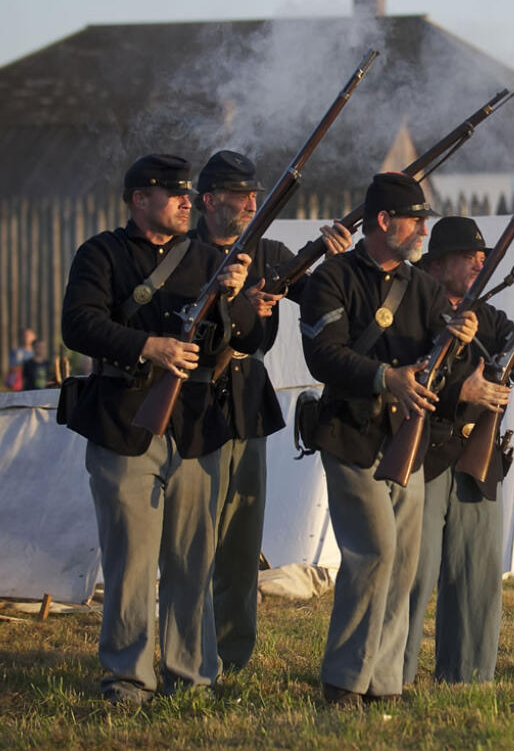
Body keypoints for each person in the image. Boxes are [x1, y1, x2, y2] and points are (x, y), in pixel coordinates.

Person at [60, 153, 255, 705]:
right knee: (130, 564)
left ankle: (191, 676)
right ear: (138, 200)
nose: (186, 202)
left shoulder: (207, 258)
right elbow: (79, 323)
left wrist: (235, 297)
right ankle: (128, 677)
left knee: (194, 559)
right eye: (172, 193)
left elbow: (245, 339)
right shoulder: (102, 253)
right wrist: (147, 345)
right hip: (124, 418)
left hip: (193, 425)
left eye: (187, 194)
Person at [299, 172, 477, 708]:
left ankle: (384, 682)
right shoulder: (332, 278)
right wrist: (386, 378)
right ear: (384, 222)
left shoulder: (423, 287)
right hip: (351, 432)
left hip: (405, 439)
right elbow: (323, 354)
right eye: (415, 221)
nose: (424, 231)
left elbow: (445, 372)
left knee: (403, 563)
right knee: (373, 552)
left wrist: (460, 346)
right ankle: (342, 680)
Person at [190, 150, 352, 673]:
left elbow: (329, 298)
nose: (252, 204)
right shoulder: (182, 254)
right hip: (189, 405)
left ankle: (232, 654)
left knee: (240, 541)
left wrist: (336, 258)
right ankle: (188, 650)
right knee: (191, 541)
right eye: (241, 197)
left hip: (243, 404)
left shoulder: (270, 253)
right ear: (210, 200)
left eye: (256, 196)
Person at [402, 217, 514, 686]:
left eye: (481, 257)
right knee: (413, 573)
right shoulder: (415, 310)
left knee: (476, 574)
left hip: (476, 456)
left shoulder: (487, 317)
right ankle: (394, 673)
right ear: (437, 264)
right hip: (421, 454)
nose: (479, 263)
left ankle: (466, 677)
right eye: (468, 256)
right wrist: (462, 392)